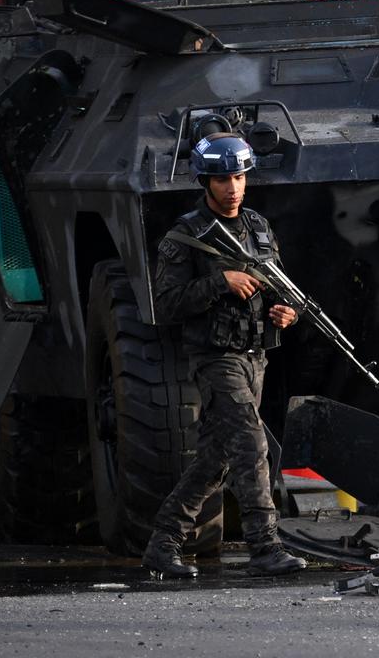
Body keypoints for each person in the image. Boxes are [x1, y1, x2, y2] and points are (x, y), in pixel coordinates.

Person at [141, 131, 307, 578]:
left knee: (218, 457)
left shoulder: (257, 227)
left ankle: (163, 542)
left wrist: (284, 312)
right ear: (204, 182)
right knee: (252, 444)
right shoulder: (185, 236)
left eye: (238, 177)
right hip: (215, 357)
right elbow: (166, 304)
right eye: (221, 179)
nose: (232, 187)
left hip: (256, 355)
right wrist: (220, 282)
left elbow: (277, 284)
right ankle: (264, 546)